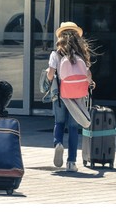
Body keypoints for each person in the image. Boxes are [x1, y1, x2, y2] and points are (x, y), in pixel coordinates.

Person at [46, 21, 95, 172]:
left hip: (61, 96)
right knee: (73, 128)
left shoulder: (56, 54)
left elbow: (50, 75)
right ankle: (71, 162)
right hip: (78, 97)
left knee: (59, 123)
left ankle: (58, 143)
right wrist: (91, 83)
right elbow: (88, 76)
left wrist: (50, 79)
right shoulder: (82, 54)